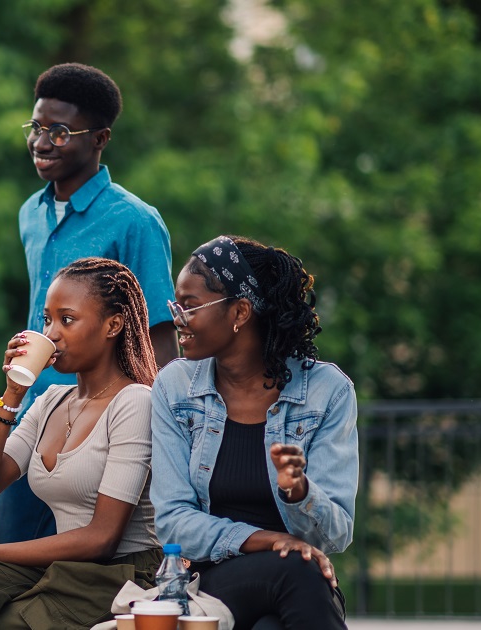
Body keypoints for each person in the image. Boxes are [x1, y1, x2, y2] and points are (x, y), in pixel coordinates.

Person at [0, 257, 161, 630]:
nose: (52, 333)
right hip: (66, 570)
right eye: (47, 320)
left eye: (67, 319)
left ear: (114, 325)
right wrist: (12, 395)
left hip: (121, 574)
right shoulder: (51, 401)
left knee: (4, 621)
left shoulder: (135, 402)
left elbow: (102, 538)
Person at [0, 62, 178, 545]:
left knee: (91, 561)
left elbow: (161, 337)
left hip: (105, 428)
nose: (40, 142)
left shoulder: (135, 221)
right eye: (36, 127)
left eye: (59, 131)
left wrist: (147, 431)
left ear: (100, 138)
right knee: (4, 558)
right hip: (36, 414)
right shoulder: (29, 213)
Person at [150, 235, 357, 629]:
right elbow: (174, 521)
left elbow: (336, 535)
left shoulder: (327, 392)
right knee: (296, 569)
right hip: (207, 583)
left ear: (240, 312)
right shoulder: (175, 388)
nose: (177, 318)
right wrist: (271, 540)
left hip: (298, 587)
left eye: (190, 306)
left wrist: (299, 491)